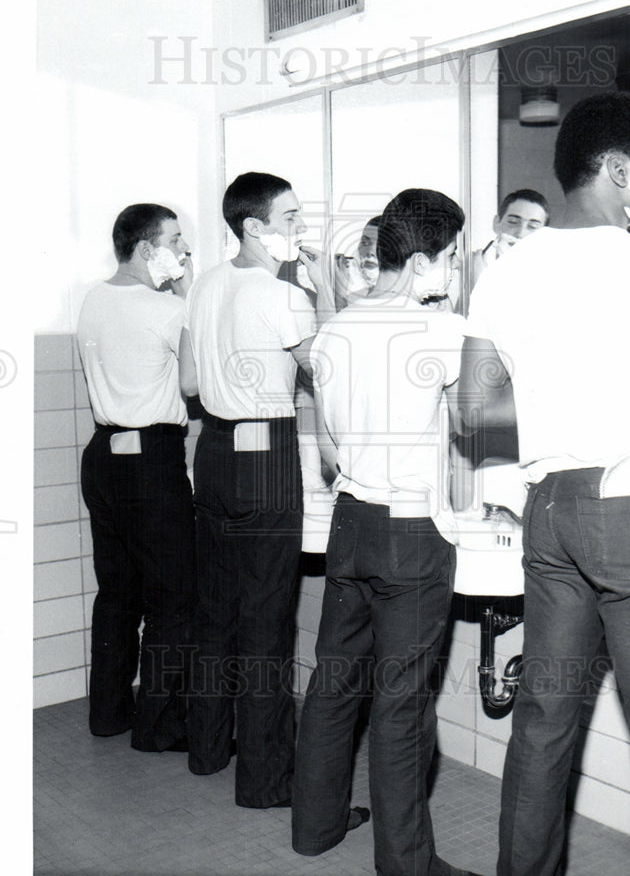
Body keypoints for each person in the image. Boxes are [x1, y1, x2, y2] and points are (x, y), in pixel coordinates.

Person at [460, 92, 630, 876]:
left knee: (541, 729)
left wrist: (548, 400)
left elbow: (471, 409)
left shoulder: (507, 268)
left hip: (550, 512)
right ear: (615, 169)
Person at [291, 189, 483, 876]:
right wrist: (478, 312)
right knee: (402, 709)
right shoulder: (442, 331)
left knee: (334, 681)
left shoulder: (338, 326)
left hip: (350, 521)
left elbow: (334, 436)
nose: (455, 270)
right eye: (454, 257)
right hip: (409, 535)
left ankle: (313, 827)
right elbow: (474, 417)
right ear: (426, 257)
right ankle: (408, 865)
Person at [180, 171, 332, 808]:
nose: (300, 228)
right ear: (254, 227)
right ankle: (267, 783)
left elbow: (188, 383)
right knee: (266, 621)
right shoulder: (280, 293)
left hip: (212, 449)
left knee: (215, 612)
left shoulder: (205, 285)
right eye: (291, 217)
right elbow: (329, 369)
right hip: (266, 454)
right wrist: (324, 294)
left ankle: (209, 751)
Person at [78, 203, 195, 751]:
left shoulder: (94, 298)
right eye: (177, 241)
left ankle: (108, 714)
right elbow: (194, 387)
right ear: (148, 250)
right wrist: (186, 299)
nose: (184, 252)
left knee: (117, 591)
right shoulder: (164, 309)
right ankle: (159, 726)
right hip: (151, 458)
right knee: (173, 597)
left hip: (103, 455)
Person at [471, 188, 549, 285]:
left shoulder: (548, 275)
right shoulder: (468, 265)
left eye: (532, 227)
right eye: (513, 222)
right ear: (497, 223)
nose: (521, 233)